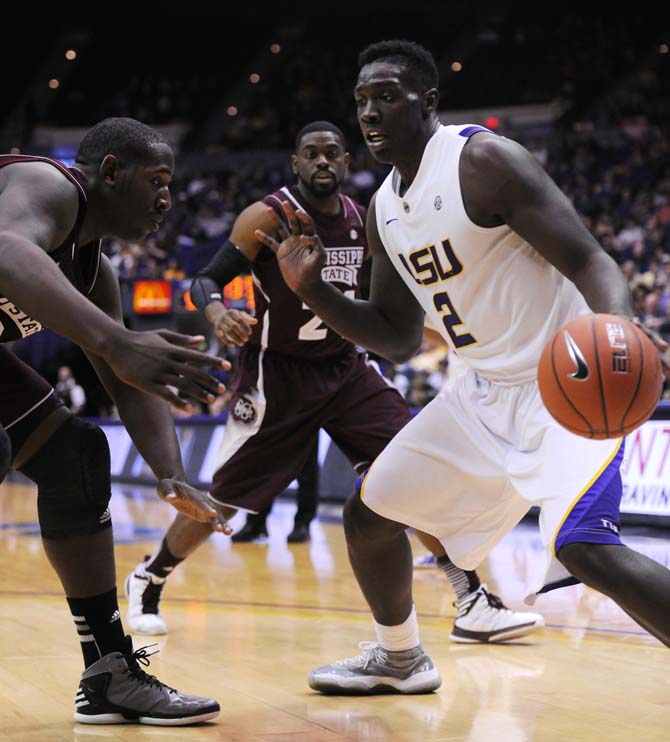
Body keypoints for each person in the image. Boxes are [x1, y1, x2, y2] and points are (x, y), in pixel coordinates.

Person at [254, 41, 670, 695]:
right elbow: (393, 338)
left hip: (559, 387)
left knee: (584, 547)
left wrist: (614, 328)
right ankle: (400, 659)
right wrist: (315, 294)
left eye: (386, 96)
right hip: (475, 394)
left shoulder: (482, 161)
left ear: (427, 102)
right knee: (369, 518)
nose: (369, 112)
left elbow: (592, 259)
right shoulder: (386, 208)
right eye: (361, 99)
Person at [125, 121, 541, 643]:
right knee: (226, 500)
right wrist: (216, 312)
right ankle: (149, 577)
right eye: (311, 154)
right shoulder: (268, 215)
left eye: (332, 154)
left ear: (347, 163)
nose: (322, 162)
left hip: (346, 369)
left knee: (410, 472)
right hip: (278, 375)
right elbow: (204, 278)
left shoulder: (363, 220)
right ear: (295, 163)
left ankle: (471, 600)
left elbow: (382, 302)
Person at [0, 117, 231, 724]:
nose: (167, 199)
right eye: (157, 181)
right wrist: (114, 340)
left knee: (75, 456)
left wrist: (173, 473)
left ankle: (109, 672)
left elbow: (125, 379)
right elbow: (4, 249)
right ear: (109, 172)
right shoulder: (47, 185)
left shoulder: (95, 269)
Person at [231, 432, 320, 543]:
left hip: (308, 416)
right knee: (263, 465)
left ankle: (303, 525)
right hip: (275, 417)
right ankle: (256, 523)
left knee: (306, 469)